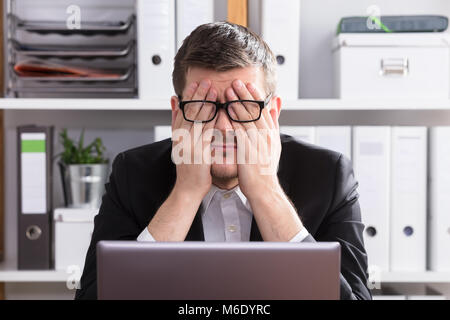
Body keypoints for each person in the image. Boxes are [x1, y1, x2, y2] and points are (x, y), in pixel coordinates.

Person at [75, 22, 371, 300]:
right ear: (176, 113)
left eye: (242, 106)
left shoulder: (329, 176)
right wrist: (185, 194)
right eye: (203, 106)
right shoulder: (132, 174)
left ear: (273, 114)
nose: (223, 128)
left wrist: (266, 191)